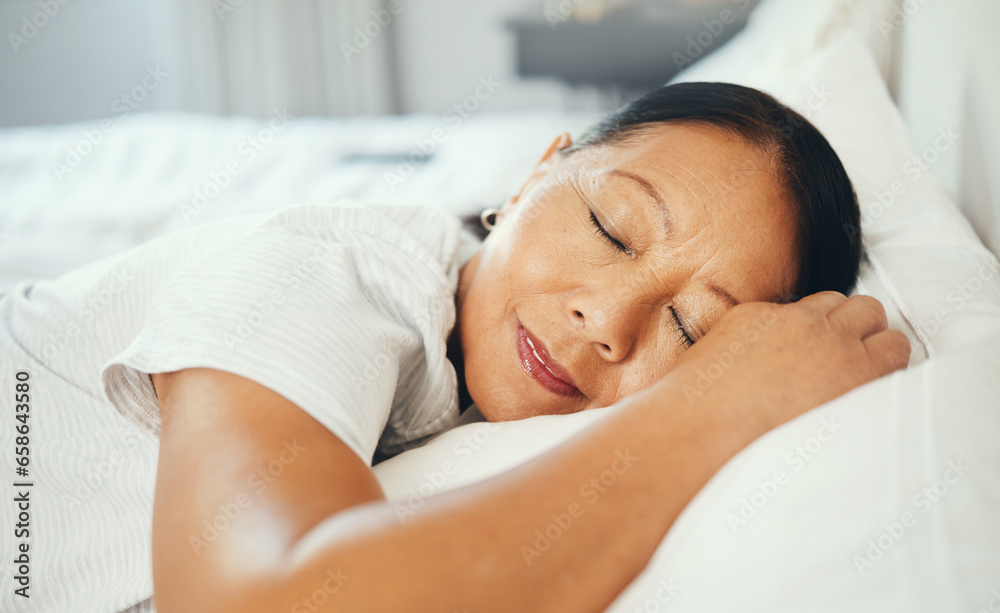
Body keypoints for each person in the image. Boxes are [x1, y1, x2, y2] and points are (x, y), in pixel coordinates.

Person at [0, 82, 909, 613]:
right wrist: (712, 405)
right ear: (531, 178)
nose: (607, 319)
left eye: (690, 330)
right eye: (610, 225)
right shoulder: (328, 272)